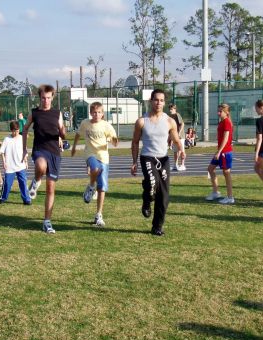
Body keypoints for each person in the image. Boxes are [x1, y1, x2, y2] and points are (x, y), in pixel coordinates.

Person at [131, 89, 185, 236]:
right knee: (152, 184)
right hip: (147, 157)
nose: (159, 103)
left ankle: (157, 226)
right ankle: (147, 199)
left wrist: (181, 150)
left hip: (163, 159)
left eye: (161, 100)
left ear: (164, 103)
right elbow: (135, 142)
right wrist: (134, 161)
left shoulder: (169, 121)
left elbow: (175, 139)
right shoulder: (142, 121)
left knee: (164, 195)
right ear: (151, 101)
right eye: (156, 100)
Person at [22, 84, 66, 234]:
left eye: (48, 98)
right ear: (39, 98)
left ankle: (47, 221)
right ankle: (35, 181)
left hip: (54, 152)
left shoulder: (57, 113)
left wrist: (62, 134)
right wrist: (24, 149)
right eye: (43, 98)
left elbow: (62, 131)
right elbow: (25, 128)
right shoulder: (34, 113)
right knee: (40, 166)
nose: (45, 101)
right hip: (40, 149)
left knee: (50, 189)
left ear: (52, 97)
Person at [71, 101, 118, 227]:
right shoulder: (85, 123)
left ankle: (98, 215)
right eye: (94, 112)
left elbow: (115, 141)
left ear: (102, 114)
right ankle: (91, 186)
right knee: (95, 168)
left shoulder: (107, 126)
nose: (96, 114)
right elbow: (77, 135)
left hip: (103, 156)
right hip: (90, 153)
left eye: (99, 112)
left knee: (102, 187)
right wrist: (74, 147)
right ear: (90, 113)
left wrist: (113, 140)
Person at [206, 103, 234, 204]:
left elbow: (226, 139)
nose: (218, 113)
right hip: (221, 152)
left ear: (226, 112)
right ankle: (215, 192)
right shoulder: (222, 122)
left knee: (226, 173)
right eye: (218, 111)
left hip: (225, 152)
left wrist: (219, 151)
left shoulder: (226, 122)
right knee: (210, 168)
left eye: (220, 111)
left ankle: (230, 197)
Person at [0, 121, 31, 205]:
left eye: (17, 131)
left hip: (20, 165)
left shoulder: (22, 138)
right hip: (10, 166)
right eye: (13, 131)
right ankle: (3, 197)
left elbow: (24, 151)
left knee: (23, 183)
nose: (15, 133)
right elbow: (2, 151)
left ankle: (26, 199)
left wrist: (26, 162)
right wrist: (4, 162)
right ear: (11, 130)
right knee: (7, 184)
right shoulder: (7, 139)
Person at [168, 104, 186, 171]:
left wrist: (179, 133)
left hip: (180, 136)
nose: (170, 110)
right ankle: (175, 165)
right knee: (175, 151)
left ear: (175, 109)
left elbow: (182, 124)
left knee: (181, 150)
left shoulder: (177, 115)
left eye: (171, 109)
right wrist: (169, 137)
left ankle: (183, 165)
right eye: (169, 109)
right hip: (174, 136)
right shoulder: (170, 116)